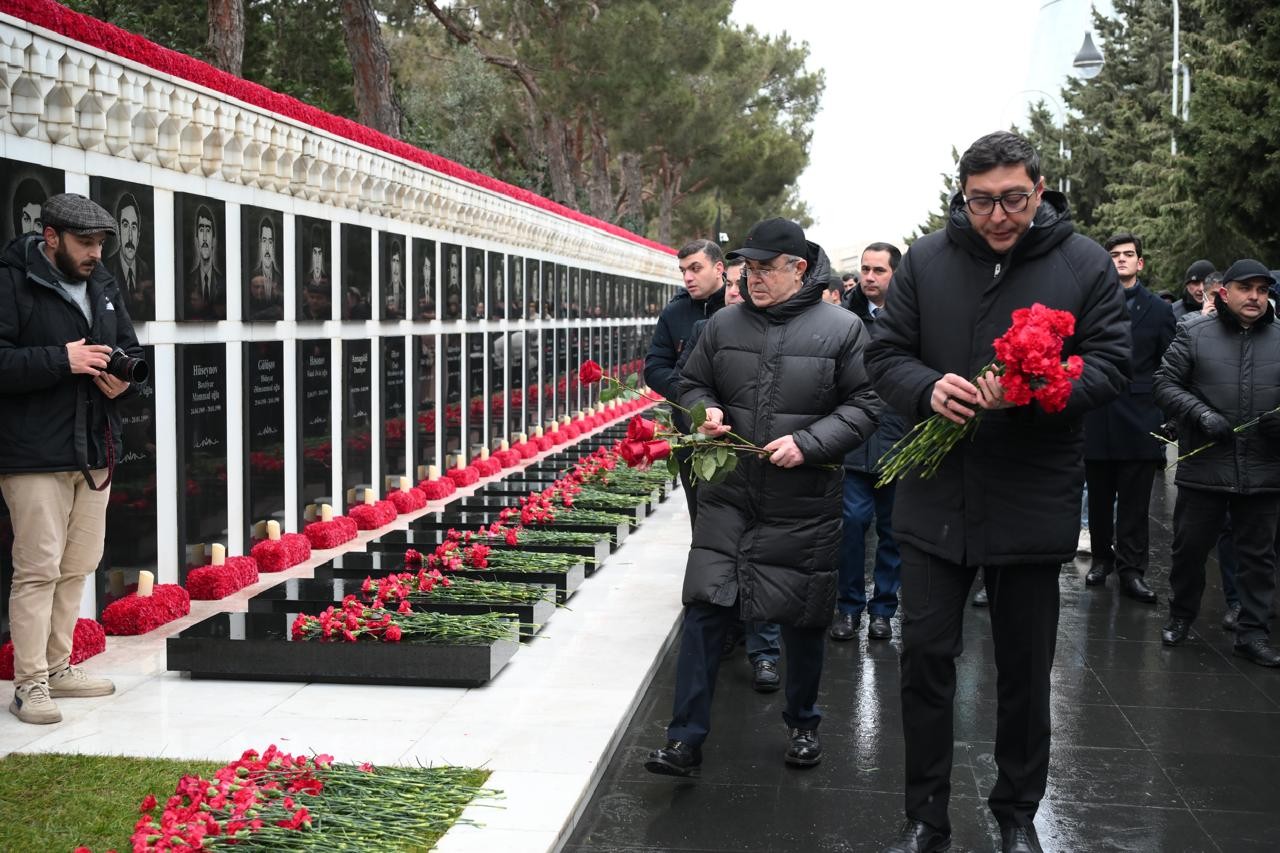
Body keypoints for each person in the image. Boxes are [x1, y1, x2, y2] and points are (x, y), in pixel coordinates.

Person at [865, 131, 1129, 853]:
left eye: (1013, 198)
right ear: (963, 194)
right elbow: (884, 354)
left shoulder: (1083, 263)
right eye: (980, 201)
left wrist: (1038, 387)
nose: (997, 215)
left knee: (1023, 668)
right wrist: (926, 390)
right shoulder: (925, 259)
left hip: (1029, 493)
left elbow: (1111, 363)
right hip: (935, 495)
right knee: (923, 656)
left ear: (1040, 190)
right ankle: (926, 815)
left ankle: (1017, 811)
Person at [644, 218, 881, 777]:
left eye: (765, 269)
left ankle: (802, 723)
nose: (753, 279)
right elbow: (691, 381)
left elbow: (868, 404)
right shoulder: (724, 324)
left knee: (801, 619)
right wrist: (705, 411)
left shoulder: (841, 329)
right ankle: (684, 739)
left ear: (798, 269)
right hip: (729, 497)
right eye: (747, 268)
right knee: (705, 609)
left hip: (802, 501)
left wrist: (807, 442)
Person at [0, 193, 144, 724]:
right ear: (51, 237)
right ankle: (29, 682)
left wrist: (120, 387)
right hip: (33, 452)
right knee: (37, 569)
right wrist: (63, 359)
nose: (96, 254)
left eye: (102, 243)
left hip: (94, 447)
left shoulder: (103, 285)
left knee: (78, 564)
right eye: (86, 243)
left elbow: (128, 351)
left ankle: (59, 667)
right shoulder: (12, 280)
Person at [1153, 260, 1280, 667]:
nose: (1255, 297)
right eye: (1247, 288)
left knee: (1258, 558)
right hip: (1206, 464)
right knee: (1189, 550)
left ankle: (1253, 633)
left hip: (1263, 469)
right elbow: (1165, 384)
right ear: (1224, 292)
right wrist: (1201, 415)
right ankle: (1181, 616)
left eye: (1262, 289)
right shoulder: (1193, 331)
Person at [674, 257, 784, 694]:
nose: (741, 289)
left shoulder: (798, 330)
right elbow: (690, 383)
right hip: (723, 464)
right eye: (737, 283)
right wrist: (705, 412)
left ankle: (765, 652)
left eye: (750, 280)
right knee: (720, 557)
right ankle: (723, 635)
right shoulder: (713, 330)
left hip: (774, 464)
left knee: (765, 560)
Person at [1082, 233, 1175, 602]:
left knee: (1136, 503)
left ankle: (1132, 569)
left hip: (1139, 417)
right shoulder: (1090, 305)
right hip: (1097, 414)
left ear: (1140, 262)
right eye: (1114, 255)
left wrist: (1168, 417)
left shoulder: (1159, 309)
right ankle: (1102, 560)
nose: (1121, 260)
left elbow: (1167, 365)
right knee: (1100, 498)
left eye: (1128, 255)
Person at [832, 242, 905, 642]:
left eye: (879, 270)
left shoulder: (913, 320)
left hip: (899, 441)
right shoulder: (845, 320)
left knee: (894, 532)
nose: (870, 277)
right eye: (865, 269)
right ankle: (848, 608)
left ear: (896, 274)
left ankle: (883, 610)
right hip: (855, 442)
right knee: (852, 525)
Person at [643, 238, 728, 530]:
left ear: (719, 268)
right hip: (690, 431)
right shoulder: (675, 312)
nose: (688, 277)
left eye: (695, 268)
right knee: (701, 520)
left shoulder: (739, 307)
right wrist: (693, 400)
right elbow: (654, 367)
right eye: (683, 271)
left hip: (733, 431)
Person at [106, 192, 153, 322]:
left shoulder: (145, 268)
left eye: (134, 227)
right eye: (125, 225)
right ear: (118, 230)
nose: (130, 237)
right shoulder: (107, 268)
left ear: (138, 234)